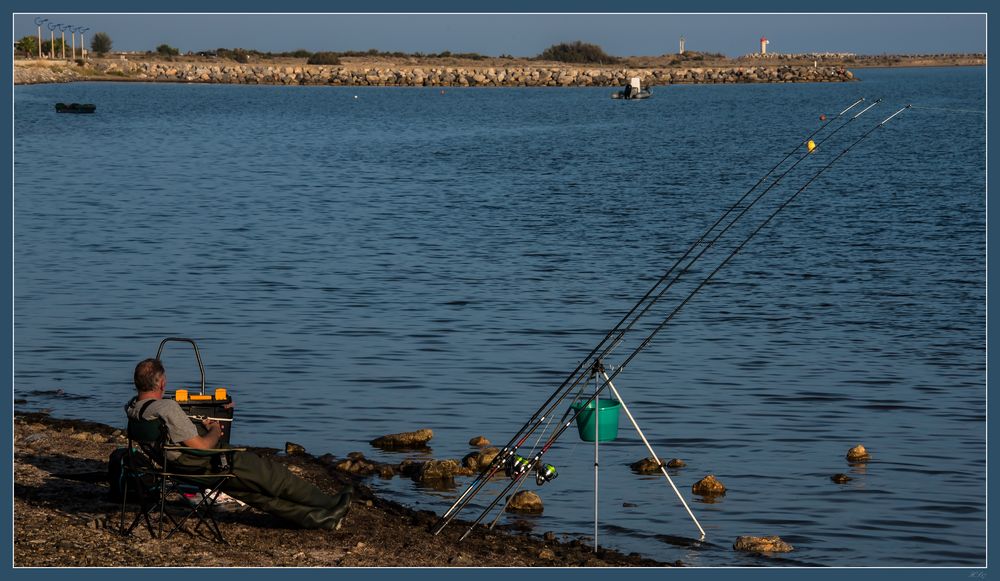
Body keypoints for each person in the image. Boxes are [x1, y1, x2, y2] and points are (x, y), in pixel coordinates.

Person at [126, 358, 353, 530]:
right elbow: (202, 447)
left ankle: (320, 519)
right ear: (162, 382)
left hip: (178, 468)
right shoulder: (167, 407)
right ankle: (328, 503)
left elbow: (170, 431)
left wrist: (196, 422)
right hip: (205, 464)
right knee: (272, 475)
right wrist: (215, 429)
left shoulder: (134, 409)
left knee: (253, 492)